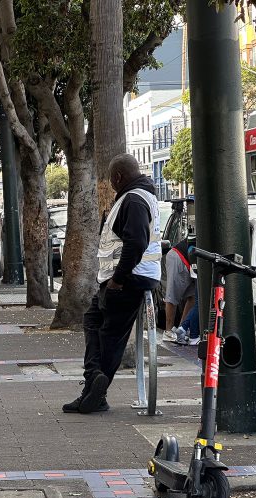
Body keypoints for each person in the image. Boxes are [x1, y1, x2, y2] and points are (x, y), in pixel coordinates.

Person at [63, 153, 162, 414]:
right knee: (93, 320)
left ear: (118, 177)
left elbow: (136, 243)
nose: (111, 184)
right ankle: (93, 381)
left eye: (111, 180)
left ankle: (95, 392)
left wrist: (118, 279)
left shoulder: (134, 199)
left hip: (127, 280)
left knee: (110, 337)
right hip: (121, 279)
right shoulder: (136, 197)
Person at [162, 237, 196, 342]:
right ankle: (168, 332)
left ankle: (182, 329)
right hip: (180, 257)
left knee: (194, 297)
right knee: (173, 296)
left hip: (191, 263)